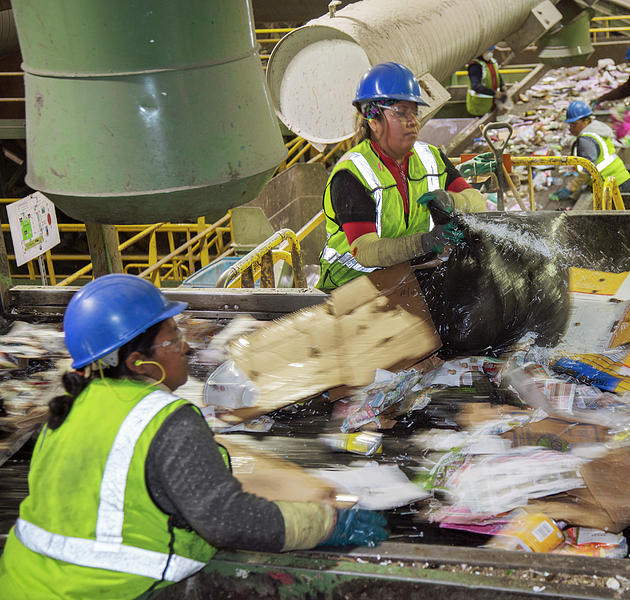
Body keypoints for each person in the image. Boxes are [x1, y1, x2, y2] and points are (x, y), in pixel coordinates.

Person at [0, 274, 388, 599]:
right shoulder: (165, 421)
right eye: (172, 339)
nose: (186, 347)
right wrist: (328, 524)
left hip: (23, 582)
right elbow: (228, 520)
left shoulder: (70, 409)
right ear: (138, 362)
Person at [317, 61, 487, 291]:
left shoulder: (430, 157)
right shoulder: (352, 174)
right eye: (400, 113)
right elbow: (365, 251)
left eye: (414, 112)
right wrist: (426, 242)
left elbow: (477, 201)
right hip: (351, 286)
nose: (413, 122)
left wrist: (452, 201)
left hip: (407, 276)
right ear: (373, 118)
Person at [549, 100, 630, 203]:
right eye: (570, 125)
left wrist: (570, 189)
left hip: (611, 184)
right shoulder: (597, 130)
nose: (570, 129)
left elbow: (588, 168)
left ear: (586, 121)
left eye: (574, 124)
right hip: (621, 179)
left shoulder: (586, 140)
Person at [466, 47, 507, 117]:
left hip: (492, 105)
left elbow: (497, 75)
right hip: (478, 108)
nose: (490, 53)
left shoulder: (493, 62)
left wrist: (502, 86)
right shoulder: (475, 66)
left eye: (492, 50)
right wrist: (494, 93)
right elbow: (475, 86)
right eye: (488, 50)